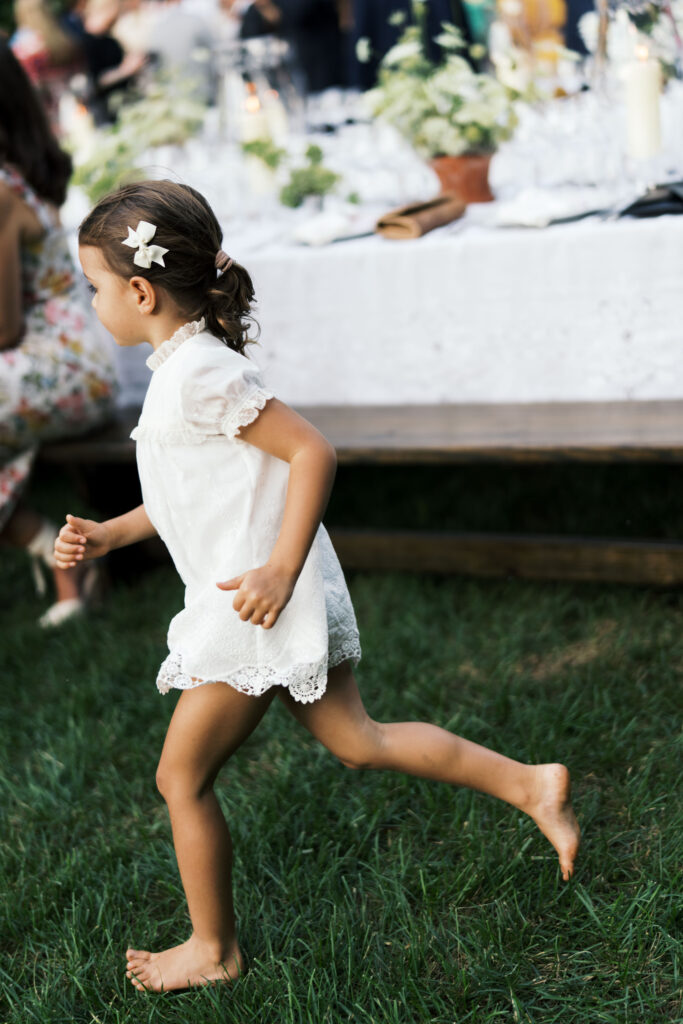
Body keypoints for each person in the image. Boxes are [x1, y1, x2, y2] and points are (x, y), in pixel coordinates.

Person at [54, 179, 580, 992]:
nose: (92, 304)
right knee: (357, 740)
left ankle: (212, 948)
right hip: (264, 593)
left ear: (140, 292)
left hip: (254, 602)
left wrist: (279, 568)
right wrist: (109, 534)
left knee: (179, 779)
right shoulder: (181, 371)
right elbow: (190, 491)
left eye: (93, 287)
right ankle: (530, 784)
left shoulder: (199, 374)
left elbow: (312, 452)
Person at [0, 40, 117, 626]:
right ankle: (60, 554)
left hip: (64, 365)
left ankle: (57, 551)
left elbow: (3, 327)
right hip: (50, 361)